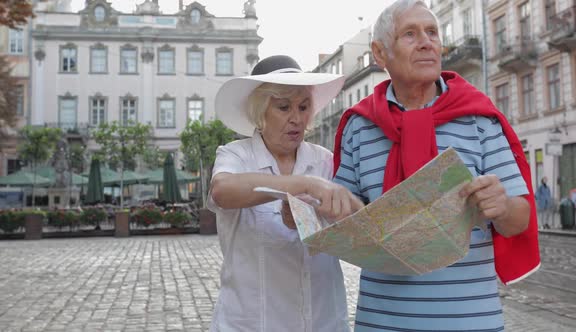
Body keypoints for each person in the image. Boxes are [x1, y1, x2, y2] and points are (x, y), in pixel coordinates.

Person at [332, 1, 540, 330]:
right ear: (380, 52)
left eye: (432, 32)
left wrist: (501, 206)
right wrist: (315, 208)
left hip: (470, 320)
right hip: (382, 320)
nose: (427, 42)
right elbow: (341, 215)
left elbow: (518, 220)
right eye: (410, 34)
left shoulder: (479, 119)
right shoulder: (359, 127)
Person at [207, 55, 363, 331]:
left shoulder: (325, 161)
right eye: (283, 107)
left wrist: (312, 220)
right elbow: (223, 191)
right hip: (254, 323)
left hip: (322, 321)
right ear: (260, 111)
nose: (296, 118)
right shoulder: (235, 155)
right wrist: (303, 184)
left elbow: (353, 225)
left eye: (303, 107)